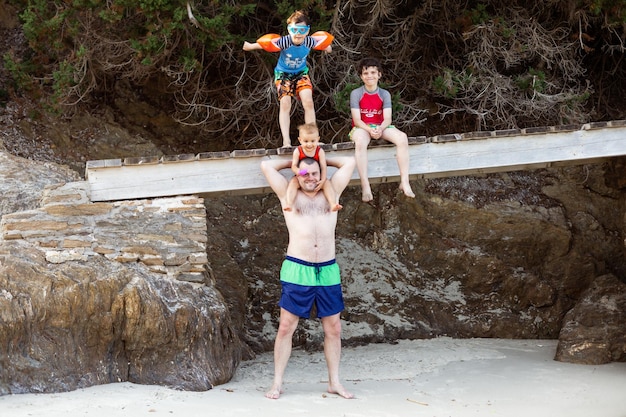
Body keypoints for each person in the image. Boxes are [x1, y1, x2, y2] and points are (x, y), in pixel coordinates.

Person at [260, 148, 355, 400]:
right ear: (297, 175)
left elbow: (350, 162)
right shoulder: (288, 195)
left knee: (333, 328)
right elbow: (267, 166)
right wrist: (295, 164)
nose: (310, 178)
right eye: (305, 174)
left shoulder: (331, 193)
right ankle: (277, 383)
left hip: (327, 269)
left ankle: (334, 382)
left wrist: (322, 161)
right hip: (297, 268)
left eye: (314, 173)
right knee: (285, 327)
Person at [243, 10, 333, 148]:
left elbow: (323, 44)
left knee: (308, 102)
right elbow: (266, 44)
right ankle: (286, 141)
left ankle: (313, 137)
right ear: (289, 30)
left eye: (302, 30)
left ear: (307, 31)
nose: (298, 33)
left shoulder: (309, 41)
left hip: (301, 73)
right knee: (285, 104)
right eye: (294, 29)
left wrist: (328, 48)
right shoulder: (285, 41)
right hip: (283, 74)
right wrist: (249, 46)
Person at [349, 57, 415, 202]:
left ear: (379, 74)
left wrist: (379, 128)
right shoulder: (356, 93)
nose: (369, 76)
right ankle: (365, 185)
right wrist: (369, 130)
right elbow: (357, 120)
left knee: (402, 138)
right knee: (360, 141)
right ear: (361, 76)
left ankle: (404, 181)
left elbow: (387, 119)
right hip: (362, 126)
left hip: (381, 125)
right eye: (366, 73)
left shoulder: (384, 94)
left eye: (373, 72)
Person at [284, 123, 341, 212]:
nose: (309, 144)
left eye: (313, 141)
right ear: (300, 140)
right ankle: (289, 204)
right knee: (293, 183)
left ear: (317, 140)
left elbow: (323, 166)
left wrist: (322, 180)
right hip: (301, 176)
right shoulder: (298, 151)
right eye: (306, 141)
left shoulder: (319, 151)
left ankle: (333, 203)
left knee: (327, 184)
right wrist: (298, 171)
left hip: (316, 176)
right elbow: (294, 165)